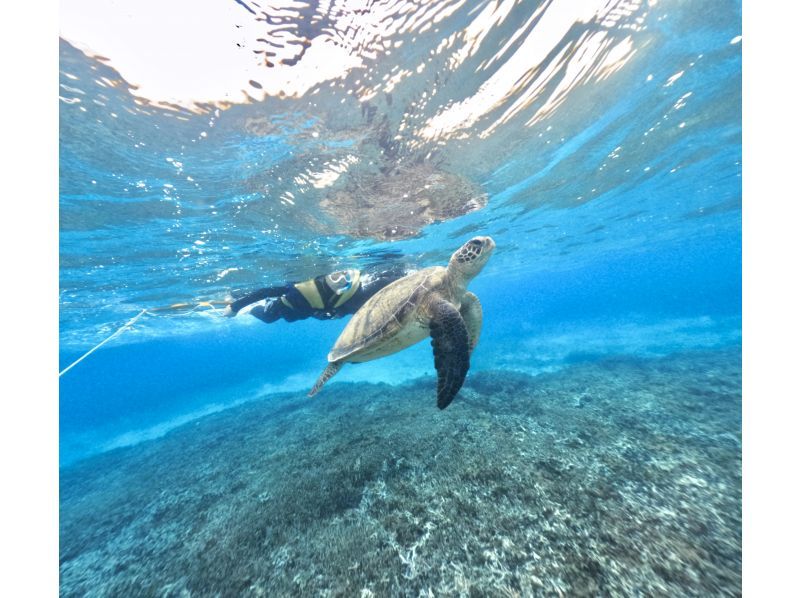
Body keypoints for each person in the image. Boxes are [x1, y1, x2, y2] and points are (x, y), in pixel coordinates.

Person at [222, 266, 409, 323]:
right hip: (288, 304)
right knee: (267, 316)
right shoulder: (294, 294)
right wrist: (235, 307)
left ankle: (240, 302)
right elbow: (264, 292)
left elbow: (334, 308)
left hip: (321, 304)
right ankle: (245, 307)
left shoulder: (350, 299)